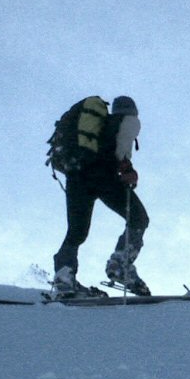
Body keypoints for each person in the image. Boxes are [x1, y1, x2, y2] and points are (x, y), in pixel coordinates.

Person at [52, 95, 150, 297]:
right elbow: (120, 152)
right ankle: (120, 265)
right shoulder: (127, 121)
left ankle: (64, 276)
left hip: (76, 177)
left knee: (76, 232)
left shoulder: (95, 130)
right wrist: (128, 171)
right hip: (103, 176)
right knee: (138, 218)